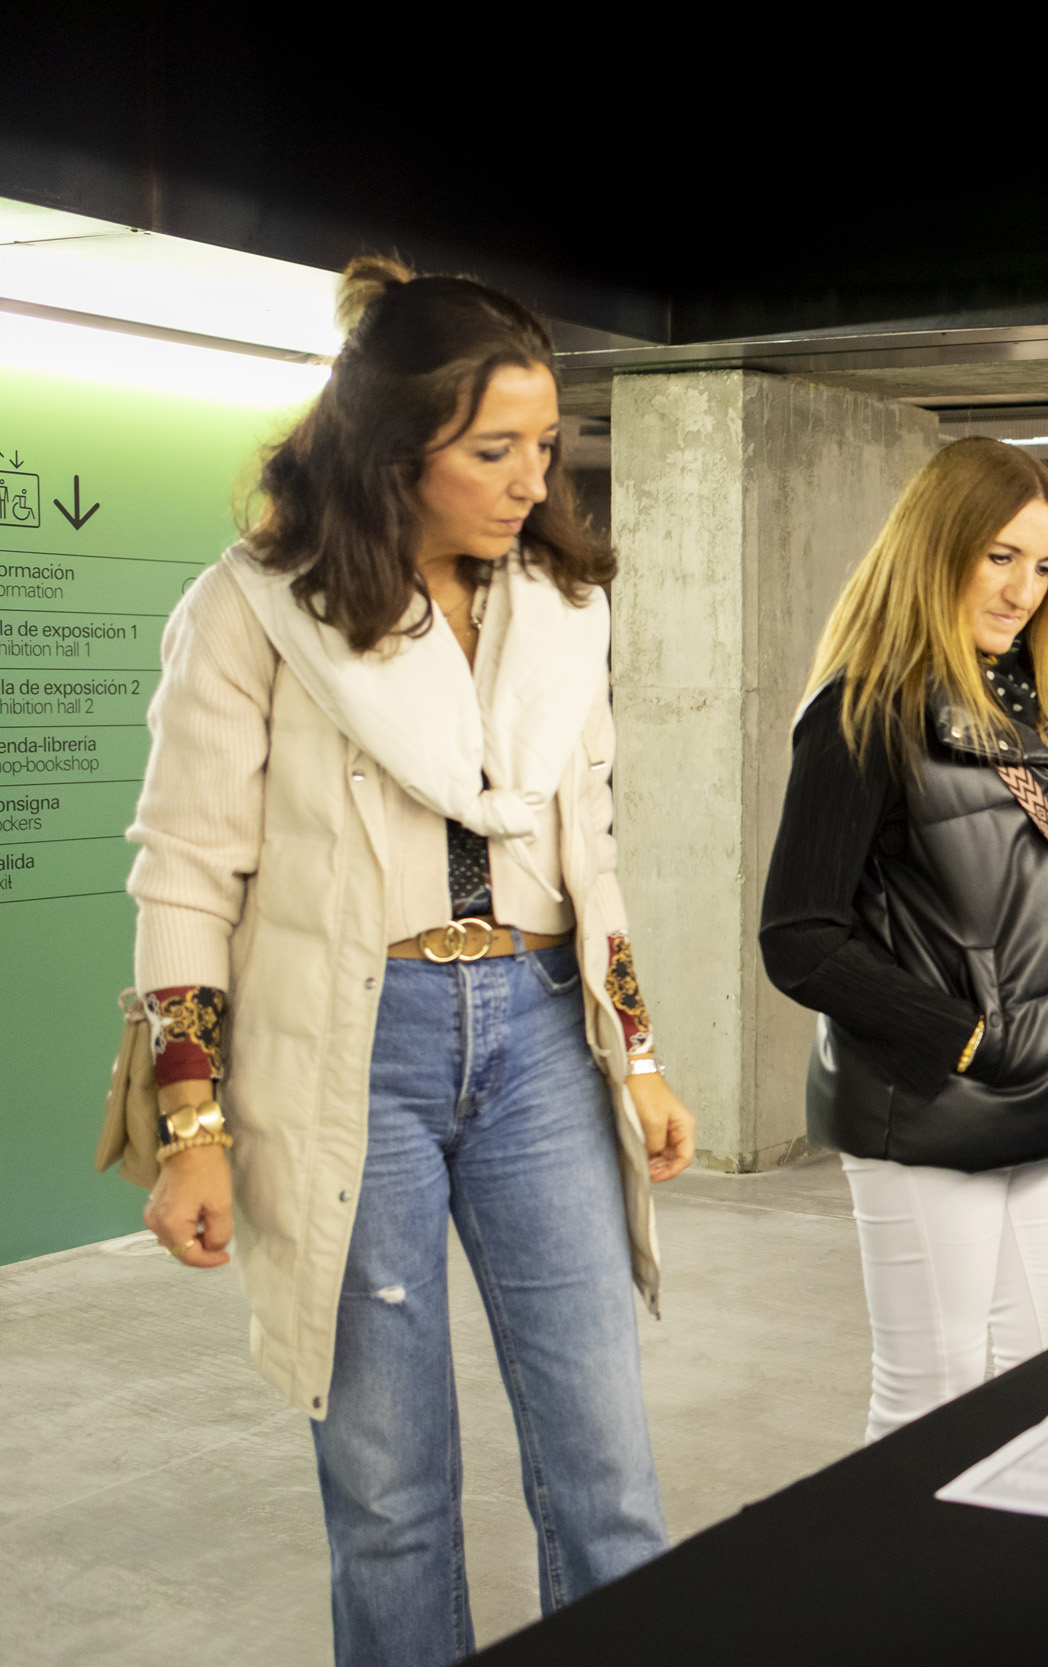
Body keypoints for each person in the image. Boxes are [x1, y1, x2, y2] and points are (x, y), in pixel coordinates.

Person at [129, 257, 697, 1667]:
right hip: (348, 1051)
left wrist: (638, 1054)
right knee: (388, 1493)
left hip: (541, 1034)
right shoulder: (255, 607)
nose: (530, 480)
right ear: (393, 447)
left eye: (545, 444)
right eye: (491, 448)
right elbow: (187, 873)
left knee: (609, 1463)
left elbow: (591, 854)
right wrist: (190, 1129)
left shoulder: (564, 607)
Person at [760, 437, 1048, 1442]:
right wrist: (965, 1039)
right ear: (937, 546)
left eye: (1043, 566)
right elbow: (800, 936)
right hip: (928, 1105)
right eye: (999, 556)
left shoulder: (1042, 704)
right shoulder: (861, 709)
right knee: (933, 1398)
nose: (1022, 590)